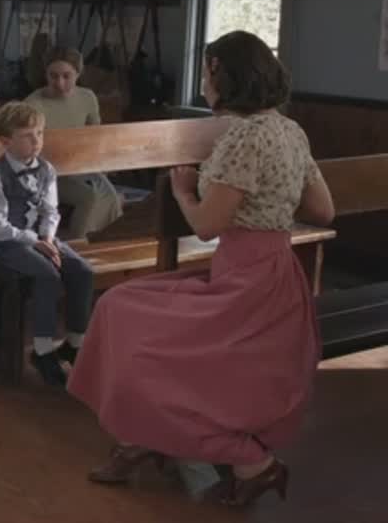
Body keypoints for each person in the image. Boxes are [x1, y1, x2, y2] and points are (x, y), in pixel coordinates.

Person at [68, 32, 335, 507]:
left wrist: (184, 191)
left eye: (208, 73)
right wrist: (272, 202)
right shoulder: (290, 130)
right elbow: (323, 210)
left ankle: (250, 462)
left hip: (243, 284)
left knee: (123, 314)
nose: (204, 84)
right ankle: (140, 437)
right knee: (130, 311)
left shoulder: (244, 138)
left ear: (224, 75)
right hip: (276, 275)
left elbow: (207, 226)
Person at [0, 101, 93, 387]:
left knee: (82, 271)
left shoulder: (46, 169)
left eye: (39, 133)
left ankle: (75, 343)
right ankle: (42, 351)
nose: (37, 141)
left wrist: (48, 238)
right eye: (28, 135)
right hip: (8, 242)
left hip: (41, 237)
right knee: (47, 275)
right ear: (6, 141)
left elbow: (51, 211)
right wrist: (34, 241)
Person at [24, 47, 123, 239]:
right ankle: (79, 245)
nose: (60, 83)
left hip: (82, 167)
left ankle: (106, 243)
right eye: (53, 76)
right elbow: (27, 151)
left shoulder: (87, 97)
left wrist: (100, 168)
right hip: (47, 173)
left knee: (111, 196)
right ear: (45, 74)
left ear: (78, 74)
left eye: (66, 76)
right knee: (90, 196)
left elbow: (95, 138)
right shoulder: (33, 104)